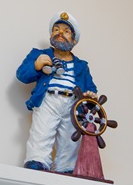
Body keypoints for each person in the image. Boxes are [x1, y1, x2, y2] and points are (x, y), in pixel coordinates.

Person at [16, 12, 97, 173]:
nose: (60, 33)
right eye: (56, 29)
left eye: (66, 31)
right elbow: (22, 74)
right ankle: (37, 160)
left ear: (73, 40)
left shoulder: (81, 65)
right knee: (42, 130)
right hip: (48, 99)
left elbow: (91, 88)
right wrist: (36, 65)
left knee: (70, 136)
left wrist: (90, 96)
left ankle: (66, 167)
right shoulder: (39, 55)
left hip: (73, 104)